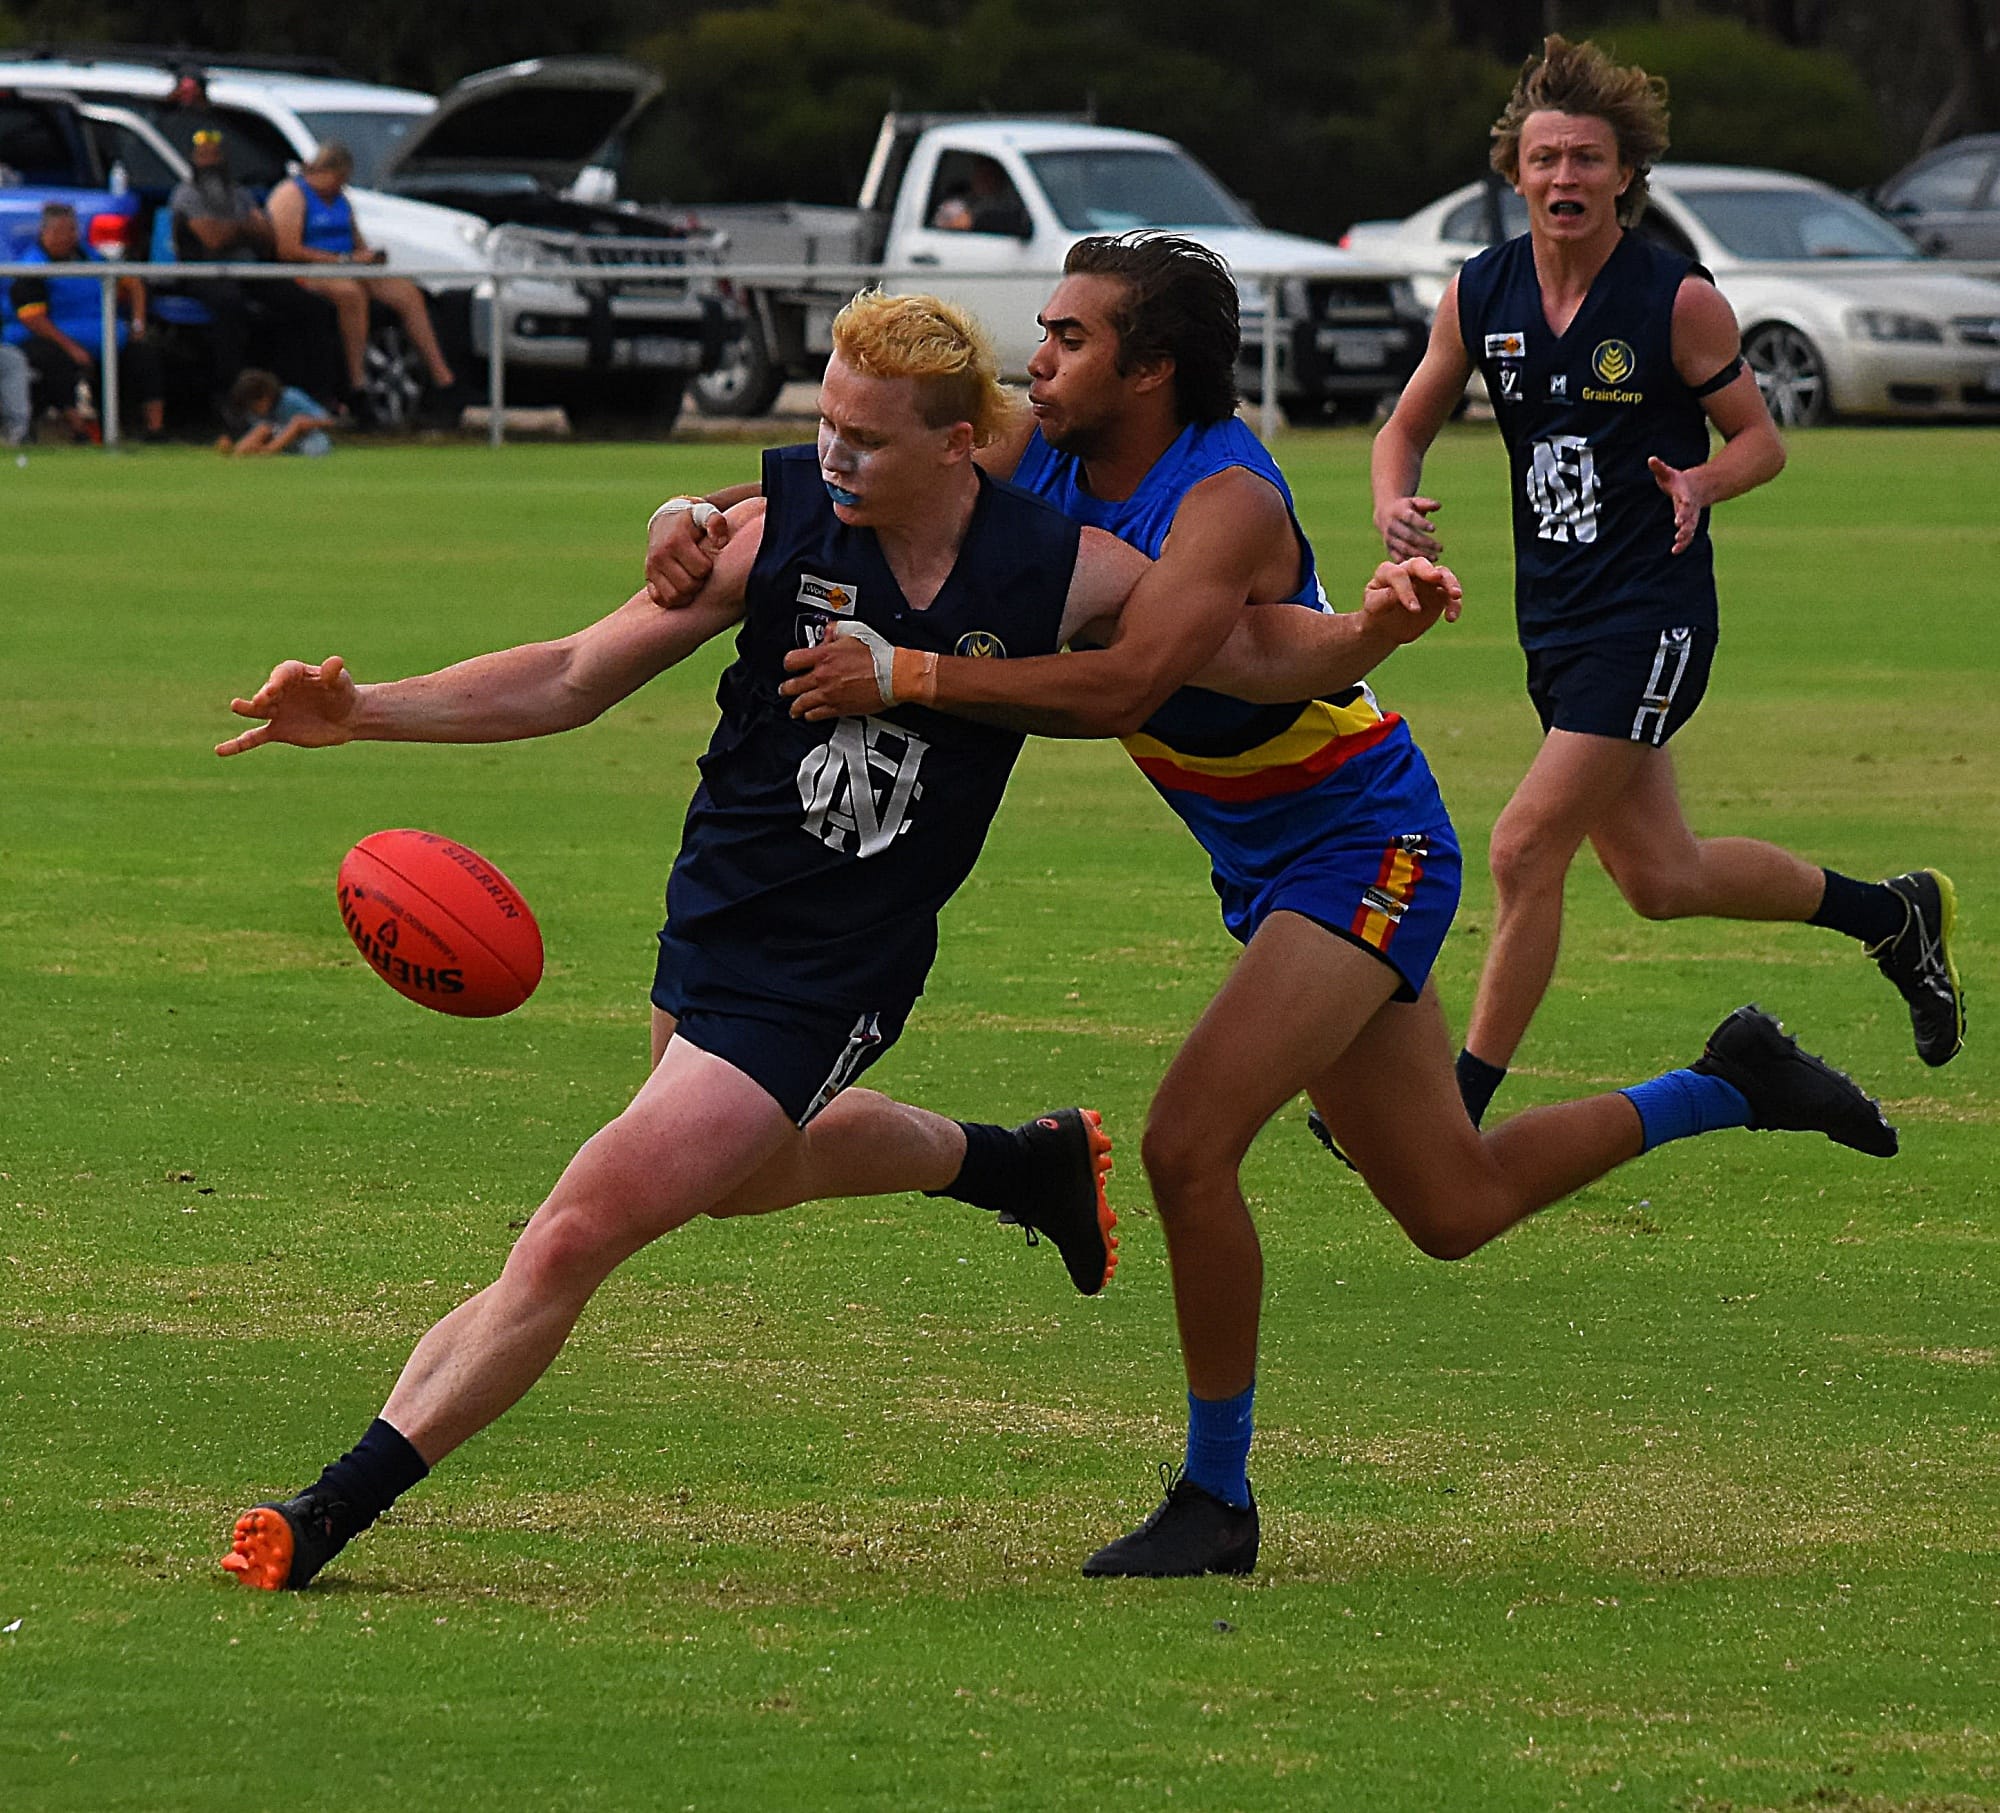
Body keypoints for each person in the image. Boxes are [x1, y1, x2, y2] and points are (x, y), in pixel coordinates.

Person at [650, 234, 1900, 1580]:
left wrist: (911, 678)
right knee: (1453, 1205)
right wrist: (709, 512)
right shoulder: (1040, 450)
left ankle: (1217, 1497)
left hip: (1363, 839)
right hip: (1266, 860)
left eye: (1071, 337)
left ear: (1152, 370)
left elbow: (1127, 688)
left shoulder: (1225, 499)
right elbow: (877, 461)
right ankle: (1733, 1081)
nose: (1040, 357)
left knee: (1188, 1140)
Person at [210, 292, 1197, 1591]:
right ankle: (1021, 1163)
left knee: (575, 1232)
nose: (833, 459)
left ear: (961, 441)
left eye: (867, 441)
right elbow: (574, 671)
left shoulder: (1058, 571)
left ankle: (329, 1509)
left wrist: (1370, 633)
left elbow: (1229, 647)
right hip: (715, 920)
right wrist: (362, 713)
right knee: (741, 1174)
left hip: (831, 973)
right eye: (825, 425)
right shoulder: (783, 525)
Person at [1370, 35, 1964, 1134]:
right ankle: (1890, 915)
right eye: (1544, 159)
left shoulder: (1674, 300)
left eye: (1586, 161)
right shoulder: (1478, 294)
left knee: (1520, 846)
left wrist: (1697, 477)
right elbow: (1402, 427)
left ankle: (1455, 1102)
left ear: (1623, 176)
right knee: (1660, 877)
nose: (1563, 180)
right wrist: (1392, 503)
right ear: (1514, 172)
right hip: (1552, 617)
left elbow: (1760, 441)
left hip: (1650, 617)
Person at [267, 141, 456, 420]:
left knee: (406, 292)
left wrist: (367, 257)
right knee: (350, 294)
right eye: (337, 178)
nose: (340, 186)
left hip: (348, 265)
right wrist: (340, 261)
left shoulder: (341, 200)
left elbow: (356, 242)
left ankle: (443, 379)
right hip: (309, 270)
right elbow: (287, 248)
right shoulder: (292, 195)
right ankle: (358, 383)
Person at [3, 201, 166, 441]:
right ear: (46, 232)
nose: (69, 237)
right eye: (61, 231)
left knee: (143, 355)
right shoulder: (32, 268)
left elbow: (133, 284)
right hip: (51, 338)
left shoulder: (90, 257)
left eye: (72, 230)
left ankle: (155, 429)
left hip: (104, 336)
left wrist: (137, 324)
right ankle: (80, 430)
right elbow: (33, 318)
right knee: (54, 360)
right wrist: (71, 347)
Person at [218, 368, 335, 457]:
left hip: (309, 437)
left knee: (297, 422)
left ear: (266, 396)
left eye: (254, 406)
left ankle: (267, 451)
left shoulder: (291, 397)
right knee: (263, 428)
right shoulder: (254, 414)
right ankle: (237, 452)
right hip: (280, 439)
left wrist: (306, 423)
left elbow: (328, 421)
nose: (253, 411)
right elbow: (260, 430)